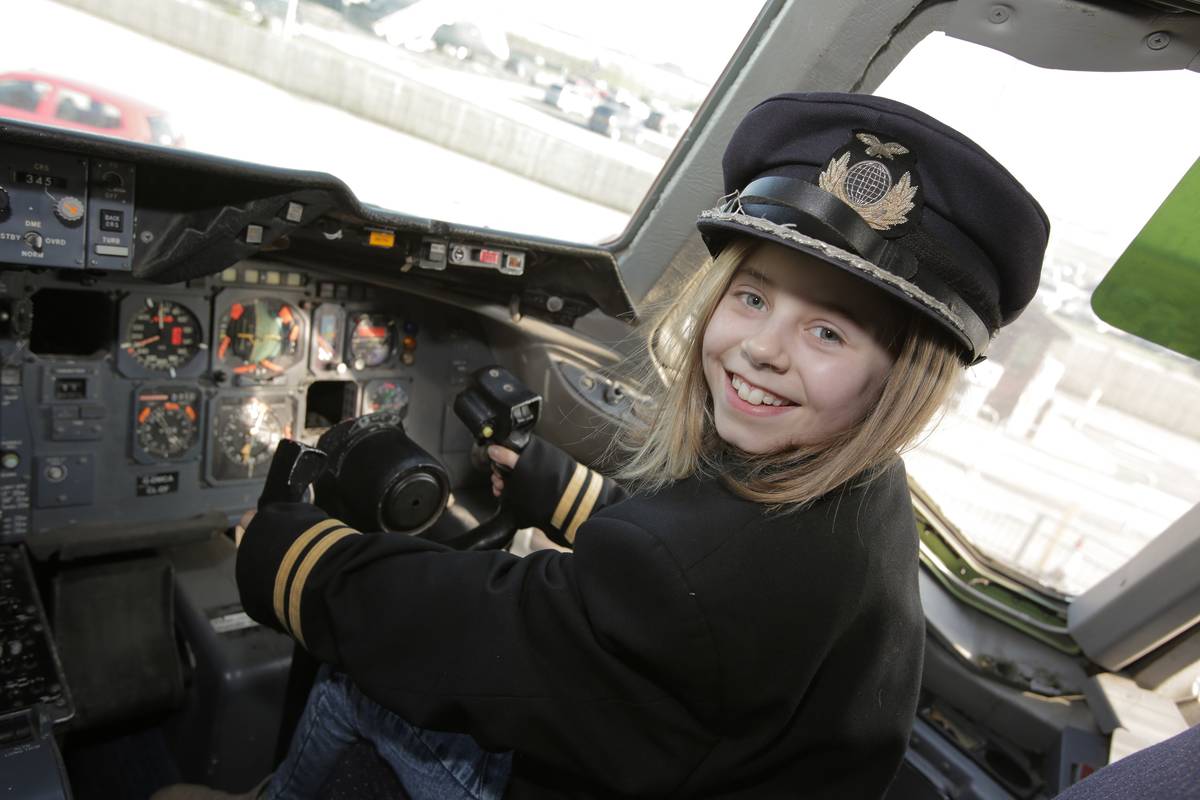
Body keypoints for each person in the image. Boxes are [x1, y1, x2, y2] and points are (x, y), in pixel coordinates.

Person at [154, 92, 1049, 799]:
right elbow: (686, 557)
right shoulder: (856, 488)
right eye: (753, 297)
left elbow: (483, 637)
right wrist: (558, 489)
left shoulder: (697, 567)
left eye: (830, 333)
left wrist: (298, 559)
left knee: (365, 679)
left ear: (900, 379)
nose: (765, 348)